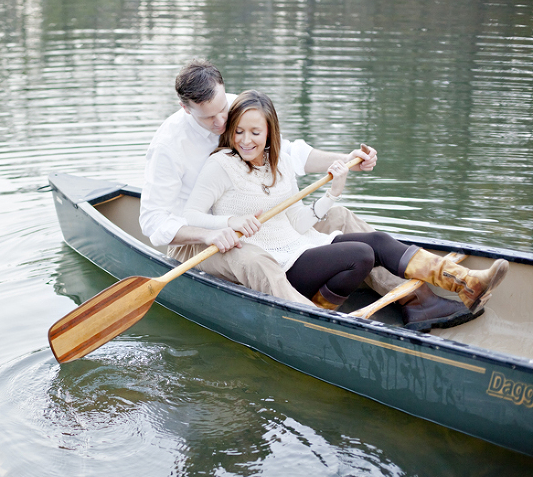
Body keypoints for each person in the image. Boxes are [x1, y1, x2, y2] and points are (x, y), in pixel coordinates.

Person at [139, 59, 481, 331]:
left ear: (223, 90)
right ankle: (311, 322)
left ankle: (417, 300)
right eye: (208, 117)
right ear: (186, 109)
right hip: (200, 238)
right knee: (254, 259)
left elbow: (286, 154)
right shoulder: (169, 147)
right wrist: (214, 230)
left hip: (259, 219)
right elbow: (154, 222)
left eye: (222, 110)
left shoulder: (235, 108)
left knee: (341, 217)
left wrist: (344, 161)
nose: (221, 122)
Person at [182, 90, 508, 316]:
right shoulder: (221, 164)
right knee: (361, 254)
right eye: (238, 131)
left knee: (376, 243)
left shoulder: (279, 163)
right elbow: (191, 215)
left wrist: (332, 193)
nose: (245, 140)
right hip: (276, 264)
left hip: (298, 246)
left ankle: (464, 282)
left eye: (255, 132)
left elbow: (297, 221)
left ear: (270, 132)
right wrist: (228, 223)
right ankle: (319, 313)